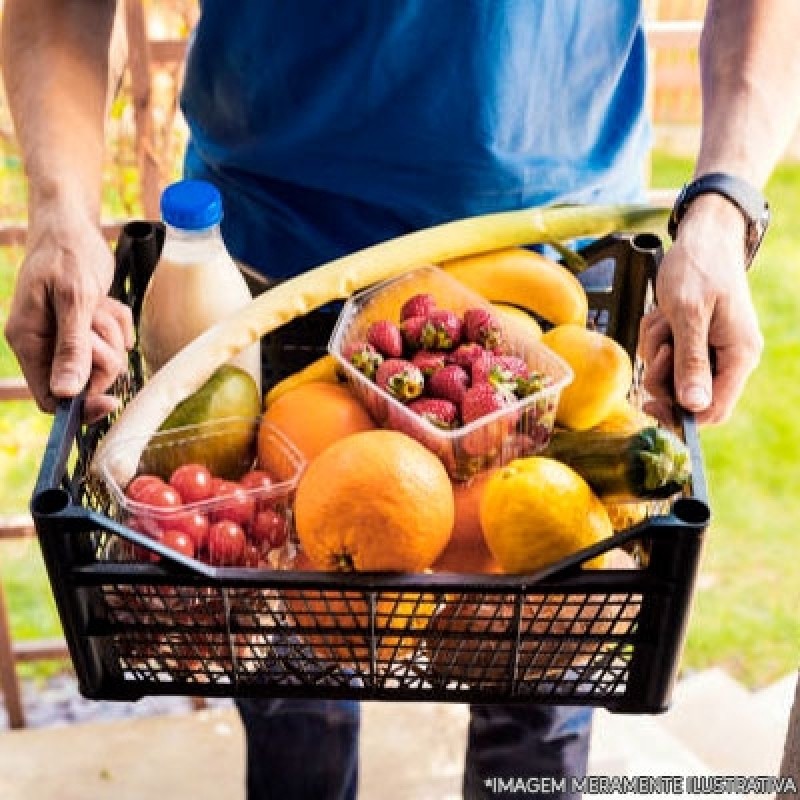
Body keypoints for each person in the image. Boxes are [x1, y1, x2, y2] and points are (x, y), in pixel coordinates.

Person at [3, 1, 800, 798]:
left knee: (537, 686)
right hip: (266, 279)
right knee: (290, 670)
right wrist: (60, 213)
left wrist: (725, 206)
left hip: (555, 280)